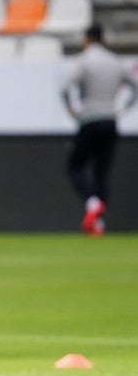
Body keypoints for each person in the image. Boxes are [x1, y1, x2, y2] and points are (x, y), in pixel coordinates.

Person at [60, 22, 137, 236]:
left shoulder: (84, 61)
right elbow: (135, 86)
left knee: (75, 167)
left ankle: (92, 203)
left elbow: (65, 88)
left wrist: (72, 111)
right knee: (101, 173)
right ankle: (98, 223)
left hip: (89, 120)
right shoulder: (115, 61)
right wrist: (123, 109)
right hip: (110, 121)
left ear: (87, 39)